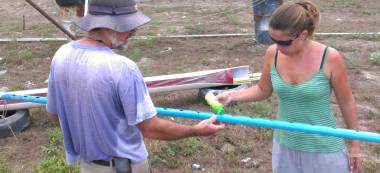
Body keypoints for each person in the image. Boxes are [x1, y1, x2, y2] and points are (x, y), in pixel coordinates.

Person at [46, 0, 225, 172]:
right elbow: (151, 128)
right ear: (108, 26)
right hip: (123, 168)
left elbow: (53, 114)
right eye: (128, 26)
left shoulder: (61, 55)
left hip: (88, 167)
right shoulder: (122, 68)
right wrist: (195, 130)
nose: (133, 32)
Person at [217, 1, 361, 173]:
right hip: (284, 144)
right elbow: (263, 89)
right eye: (273, 40)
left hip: (323, 147)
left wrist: (355, 143)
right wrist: (232, 96)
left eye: (284, 42)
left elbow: (346, 101)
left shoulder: (330, 58)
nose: (278, 47)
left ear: (303, 35)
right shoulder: (273, 53)